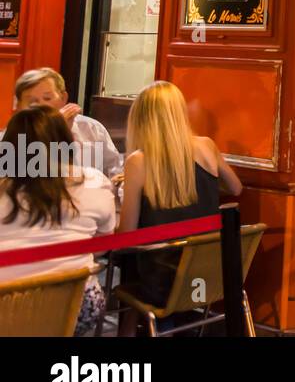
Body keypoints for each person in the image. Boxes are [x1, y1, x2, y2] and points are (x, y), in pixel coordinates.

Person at [118, 81, 242, 331]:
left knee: (124, 265)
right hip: (210, 278)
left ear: (142, 118)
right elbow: (236, 188)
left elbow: (127, 237)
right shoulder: (206, 145)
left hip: (163, 285)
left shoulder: (138, 162)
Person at [0, 106, 117, 335]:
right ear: (67, 142)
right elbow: (103, 244)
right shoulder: (94, 181)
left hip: (6, 310)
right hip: (74, 308)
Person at [13, 68, 123, 180]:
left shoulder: (92, 128)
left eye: (47, 98)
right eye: (32, 101)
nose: (41, 106)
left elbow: (114, 171)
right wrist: (55, 130)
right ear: (19, 105)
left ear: (63, 98)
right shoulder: (14, 133)